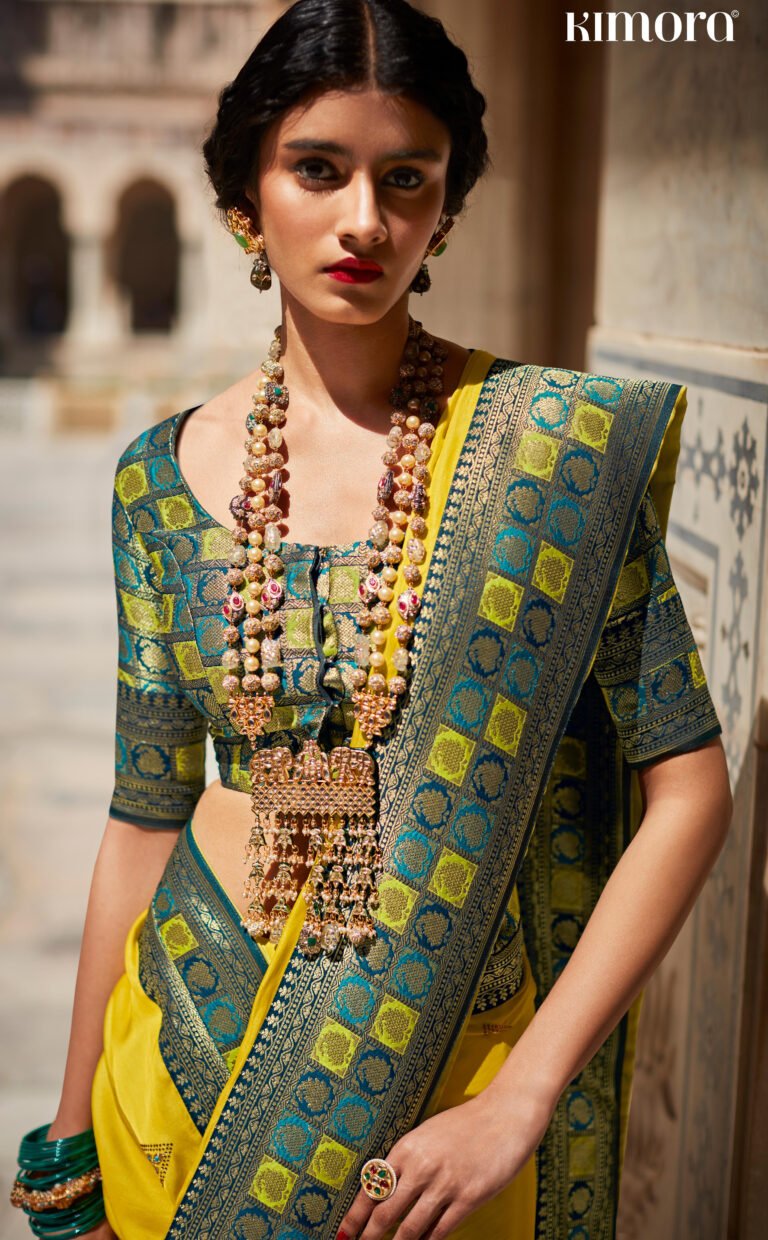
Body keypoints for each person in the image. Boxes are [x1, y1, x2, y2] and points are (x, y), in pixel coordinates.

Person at [9, 1, 732, 1238]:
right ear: (246, 194)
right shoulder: (156, 480)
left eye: (407, 180)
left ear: (446, 208)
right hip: (176, 1072)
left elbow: (692, 790)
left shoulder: (548, 457)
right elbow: (142, 818)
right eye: (318, 169)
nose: (364, 222)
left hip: (448, 1100)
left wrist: (520, 1099)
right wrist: (72, 1122)